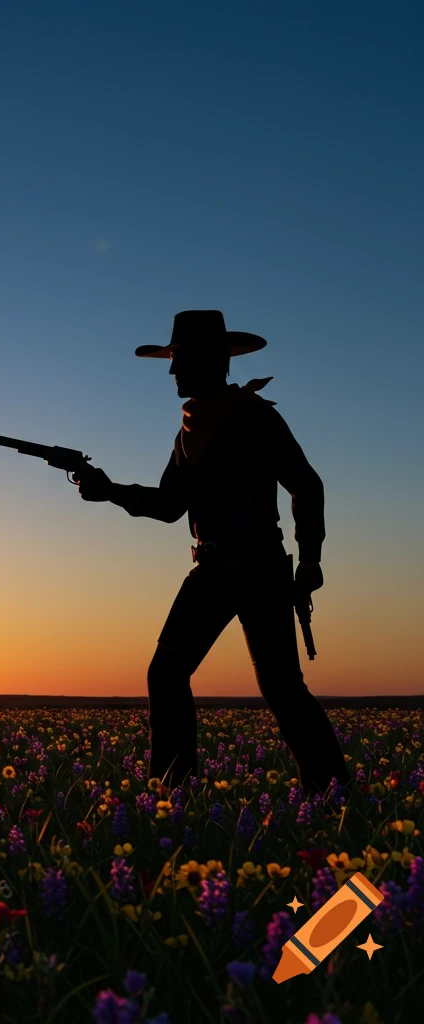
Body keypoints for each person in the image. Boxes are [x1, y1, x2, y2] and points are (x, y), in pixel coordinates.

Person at [77, 310, 350, 795]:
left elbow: (306, 485)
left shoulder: (257, 417)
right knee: (174, 673)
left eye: (179, 359)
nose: (171, 371)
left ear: (210, 361)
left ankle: (331, 797)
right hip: (218, 567)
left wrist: (311, 558)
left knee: (276, 690)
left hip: (257, 566)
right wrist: (109, 490)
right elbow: (168, 505)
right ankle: (175, 795)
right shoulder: (190, 429)